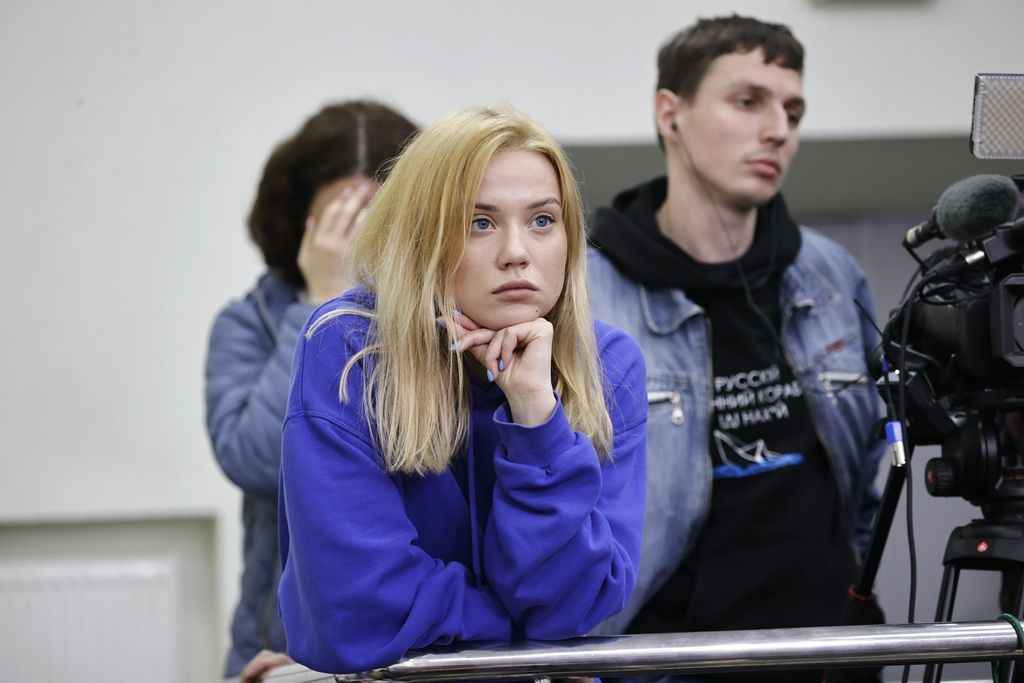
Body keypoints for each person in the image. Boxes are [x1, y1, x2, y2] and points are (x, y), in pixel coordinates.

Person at [276, 106, 647, 674]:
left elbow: (577, 605)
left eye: (542, 220)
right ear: (422, 237)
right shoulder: (349, 349)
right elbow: (358, 610)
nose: (517, 252)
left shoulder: (608, 365)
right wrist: (521, 637)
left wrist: (536, 418)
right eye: (480, 223)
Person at [586, 15, 886, 682]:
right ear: (670, 113)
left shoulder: (829, 274)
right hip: (662, 664)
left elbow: (865, 473)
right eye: (748, 101)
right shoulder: (586, 291)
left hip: (830, 657)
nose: (778, 130)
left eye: (793, 111)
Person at [204, 100, 418, 680]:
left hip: (417, 641)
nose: (359, 240)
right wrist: (323, 304)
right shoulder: (248, 323)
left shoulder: (440, 317)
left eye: (376, 217)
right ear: (302, 222)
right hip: (283, 652)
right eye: (340, 220)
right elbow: (256, 461)